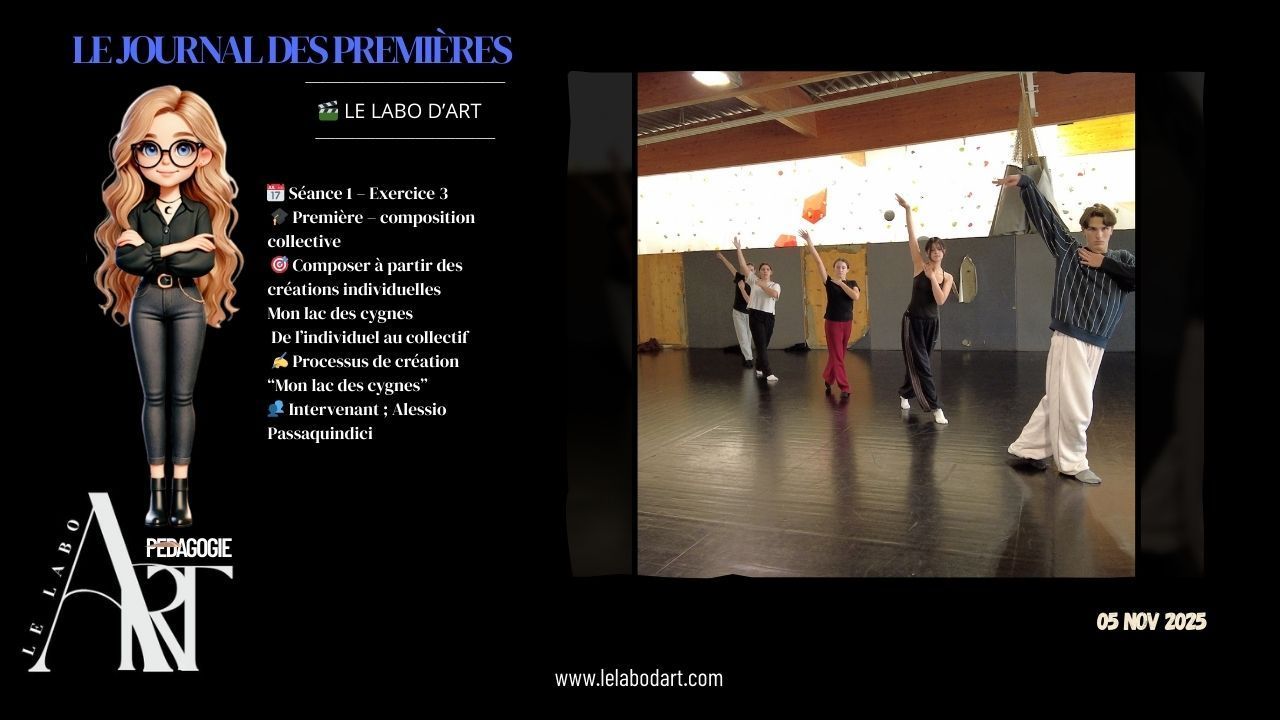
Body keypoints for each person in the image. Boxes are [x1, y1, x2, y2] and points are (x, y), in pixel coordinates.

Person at [93, 86, 244, 527]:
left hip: (188, 301)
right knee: (153, 397)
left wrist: (155, 251)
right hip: (145, 303)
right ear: (134, 154)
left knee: (182, 397)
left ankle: (182, 495)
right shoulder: (136, 211)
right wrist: (177, 248)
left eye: (181, 148)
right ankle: (156, 495)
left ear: (202, 154)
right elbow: (129, 260)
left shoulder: (199, 211)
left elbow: (201, 262)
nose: (164, 161)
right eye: (149, 148)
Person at [994, 174, 1135, 484]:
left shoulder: (1122, 260)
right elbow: (1049, 221)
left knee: (1059, 398)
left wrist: (1103, 264)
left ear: (1112, 230)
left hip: (1097, 342)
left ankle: (1027, 449)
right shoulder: (1071, 252)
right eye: (1092, 228)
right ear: (1084, 230)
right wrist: (1027, 185)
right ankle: (1072, 463)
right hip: (1071, 338)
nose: (1099, 234)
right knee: (1076, 403)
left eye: (1105, 228)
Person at [894, 194, 951, 424]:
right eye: (932, 249)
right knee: (923, 367)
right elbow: (911, 237)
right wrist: (908, 209)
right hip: (913, 322)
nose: (936, 252)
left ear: (943, 252)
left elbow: (940, 300)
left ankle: (905, 392)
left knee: (920, 363)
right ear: (927, 252)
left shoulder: (947, 276)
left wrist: (932, 278)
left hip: (931, 324)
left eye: (939, 249)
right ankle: (935, 407)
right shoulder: (919, 264)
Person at [798, 228, 860, 398]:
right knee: (838, 355)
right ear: (834, 269)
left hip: (847, 323)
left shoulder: (852, 283)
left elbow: (855, 296)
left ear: (847, 270)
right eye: (838, 267)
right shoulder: (829, 282)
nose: (840, 269)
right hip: (832, 323)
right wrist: (809, 241)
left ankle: (828, 377)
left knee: (839, 354)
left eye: (843, 267)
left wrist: (842, 284)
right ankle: (844, 387)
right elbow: (818, 262)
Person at [733, 235, 780, 383]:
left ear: (771, 272)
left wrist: (762, 285)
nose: (765, 271)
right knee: (760, 345)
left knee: (764, 345)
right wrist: (739, 249)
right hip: (755, 316)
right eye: (762, 269)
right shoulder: (753, 280)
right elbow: (743, 266)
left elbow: (774, 295)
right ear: (759, 272)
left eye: (767, 269)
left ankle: (759, 367)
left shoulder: (775, 285)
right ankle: (768, 372)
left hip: (769, 317)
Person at [715, 250, 754, 367]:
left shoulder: (755, 283)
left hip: (751, 314)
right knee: (742, 336)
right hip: (738, 312)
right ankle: (748, 359)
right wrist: (722, 258)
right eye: (747, 269)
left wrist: (742, 289)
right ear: (743, 270)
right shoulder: (739, 277)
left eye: (751, 270)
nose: (749, 271)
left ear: (754, 272)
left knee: (749, 337)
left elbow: (749, 301)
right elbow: (730, 267)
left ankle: (746, 356)